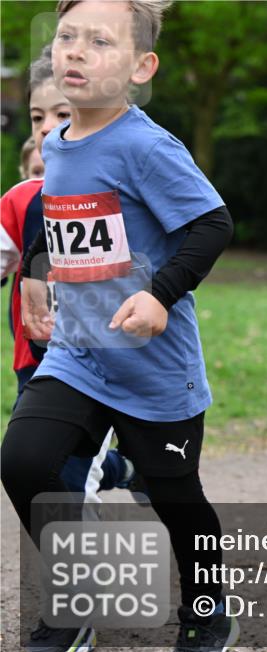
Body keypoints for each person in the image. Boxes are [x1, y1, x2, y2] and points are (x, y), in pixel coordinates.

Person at [1, 2, 238, 652]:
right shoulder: (58, 145)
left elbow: (213, 225)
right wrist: (37, 279)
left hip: (153, 366)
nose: (74, 50)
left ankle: (207, 614)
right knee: (23, 461)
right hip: (77, 355)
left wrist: (159, 294)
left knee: (175, 497)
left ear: (140, 67)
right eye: (66, 37)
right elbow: (73, 232)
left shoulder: (146, 145)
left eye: (98, 41)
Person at [1, 46, 133, 498]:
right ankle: (129, 470)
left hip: (96, 362)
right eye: (37, 117)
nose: (44, 128)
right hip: (33, 361)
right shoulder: (19, 201)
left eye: (59, 113)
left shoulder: (118, 187)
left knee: (73, 477)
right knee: (31, 466)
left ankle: (86, 562)